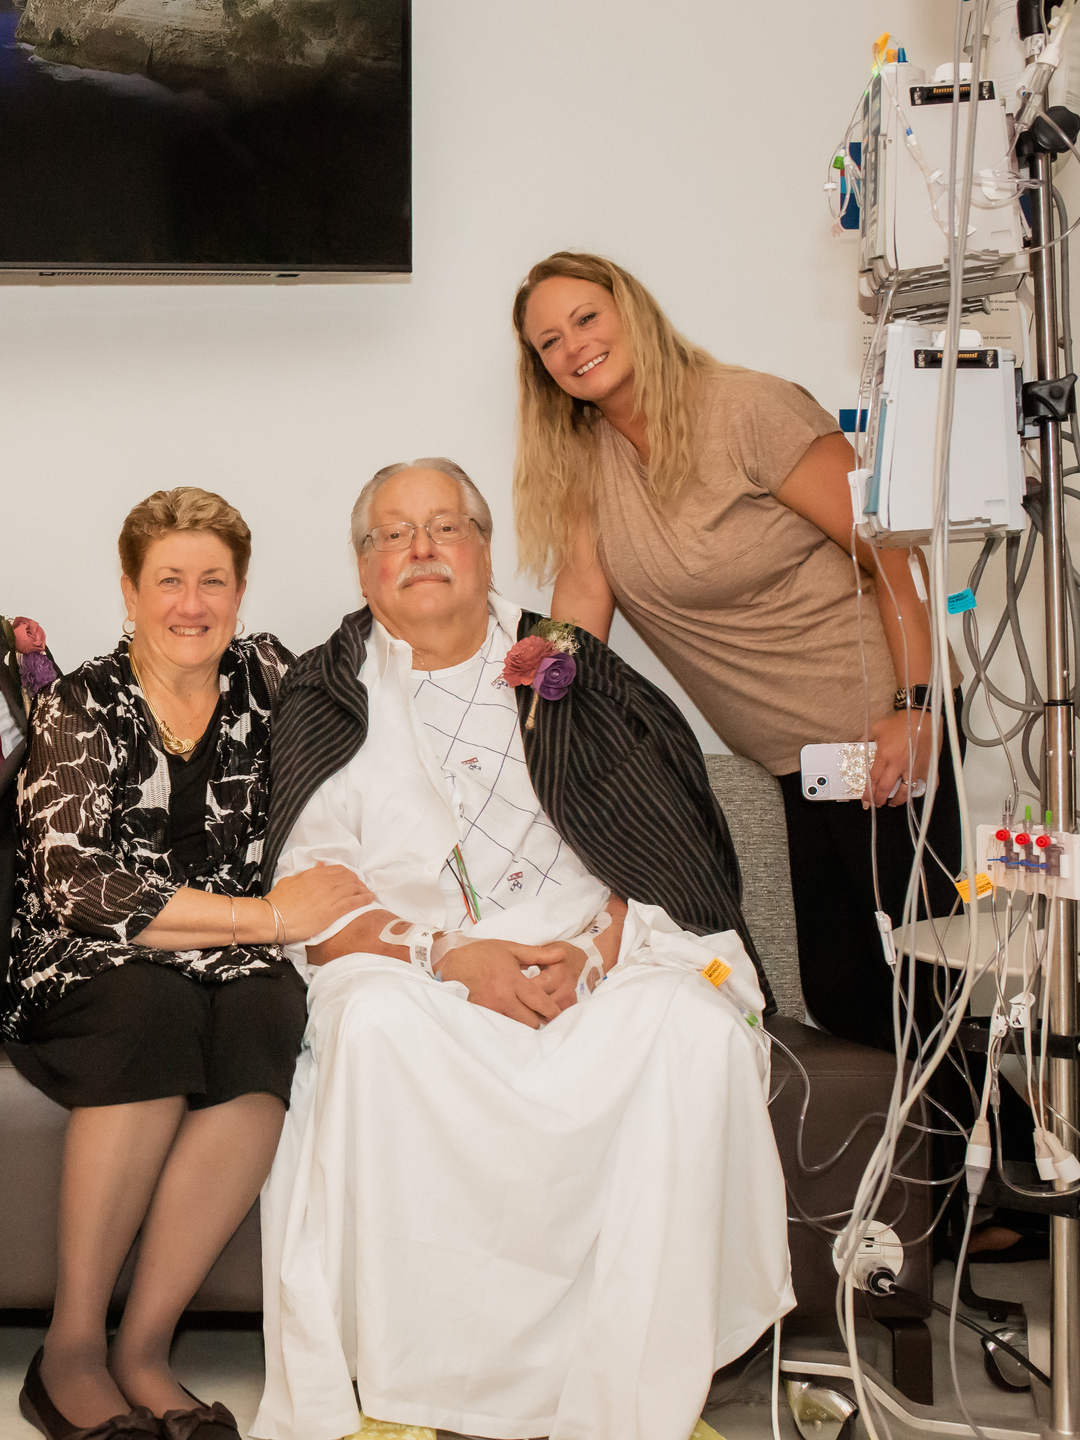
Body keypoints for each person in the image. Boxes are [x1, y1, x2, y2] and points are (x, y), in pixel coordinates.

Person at [252, 459, 792, 1440]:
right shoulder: (326, 695)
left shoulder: (573, 668)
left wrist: (601, 953)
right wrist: (449, 957)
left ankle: (626, 1390)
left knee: (691, 1031)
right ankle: (417, 1399)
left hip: (596, 954)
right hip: (419, 966)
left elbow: (661, 845)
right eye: (395, 533)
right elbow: (310, 897)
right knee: (369, 1027)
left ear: (485, 549)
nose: (421, 548)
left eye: (445, 526)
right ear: (364, 566)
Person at [511, 251, 964, 1053]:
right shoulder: (586, 463)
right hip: (802, 764)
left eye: (586, 317)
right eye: (549, 341)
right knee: (845, 994)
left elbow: (896, 556)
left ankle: (1010, 1168)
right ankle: (928, 1173)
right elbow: (576, 623)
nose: (573, 345)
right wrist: (500, 685)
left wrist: (917, 707)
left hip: (884, 732)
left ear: (632, 310)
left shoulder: (747, 409)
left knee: (925, 991)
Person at [3, 487, 367, 1440]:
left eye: (213, 580)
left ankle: (144, 1351)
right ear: (129, 591)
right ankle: (71, 1352)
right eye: (168, 580)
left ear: (242, 593)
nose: (191, 603)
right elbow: (77, 885)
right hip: (80, 963)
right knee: (152, 1005)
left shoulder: (273, 679)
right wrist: (266, 917)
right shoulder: (80, 702)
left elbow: (378, 714)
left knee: (271, 1016)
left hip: (232, 962)